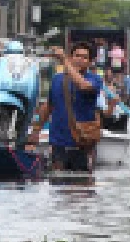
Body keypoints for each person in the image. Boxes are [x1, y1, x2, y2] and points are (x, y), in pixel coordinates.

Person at [28, 43, 109, 173]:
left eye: (84, 57)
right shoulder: (57, 79)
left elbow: (83, 86)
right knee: (57, 180)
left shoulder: (95, 79)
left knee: (83, 182)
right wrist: (36, 130)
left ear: (89, 62)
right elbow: (48, 106)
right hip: (58, 141)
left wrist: (64, 60)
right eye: (77, 55)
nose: (80, 59)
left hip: (82, 142)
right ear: (71, 57)